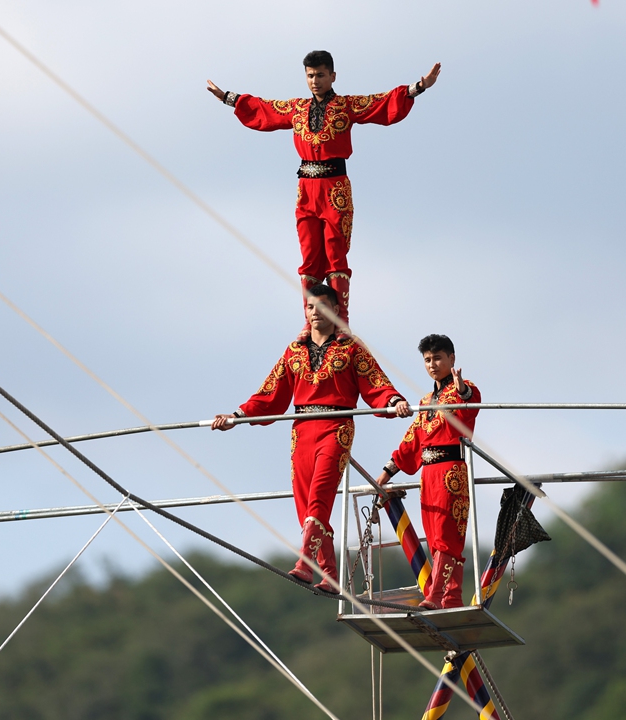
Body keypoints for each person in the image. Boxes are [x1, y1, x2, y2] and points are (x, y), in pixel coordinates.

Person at [207, 50, 440, 336]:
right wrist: (229, 98)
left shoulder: (346, 105)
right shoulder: (296, 109)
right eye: (309, 76)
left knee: (335, 256)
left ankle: (341, 323)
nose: (314, 81)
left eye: (319, 75)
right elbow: (264, 109)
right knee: (309, 258)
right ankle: (309, 322)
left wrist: (418, 87)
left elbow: (381, 103)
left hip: (335, 188)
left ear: (332, 76)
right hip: (305, 188)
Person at [212, 284, 411, 593]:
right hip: (302, 429)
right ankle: (330, 575)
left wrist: (394, 401)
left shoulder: (351, 348)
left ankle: (305, 563)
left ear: (336, 309)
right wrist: (236, 417)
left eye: (321, 305)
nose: (314, 311)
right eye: (309, 307)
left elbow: (376, 385)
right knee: (305, 505)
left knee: (320, 495)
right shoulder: (293, 351)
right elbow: (269, 394)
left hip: (336, 427)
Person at [376, 334, 480, 609]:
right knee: (435, 539)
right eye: (427, 360)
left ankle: (434, 596)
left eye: (437, 358)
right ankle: (451, 599)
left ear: (451, 359)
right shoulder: (425, 401)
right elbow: (412, 441)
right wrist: (386, 474)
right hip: (428, 475)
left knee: (447, 537)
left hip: (450, 472)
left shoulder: (464, 389)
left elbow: (470, 407)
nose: (432, 364)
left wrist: (461, 392)